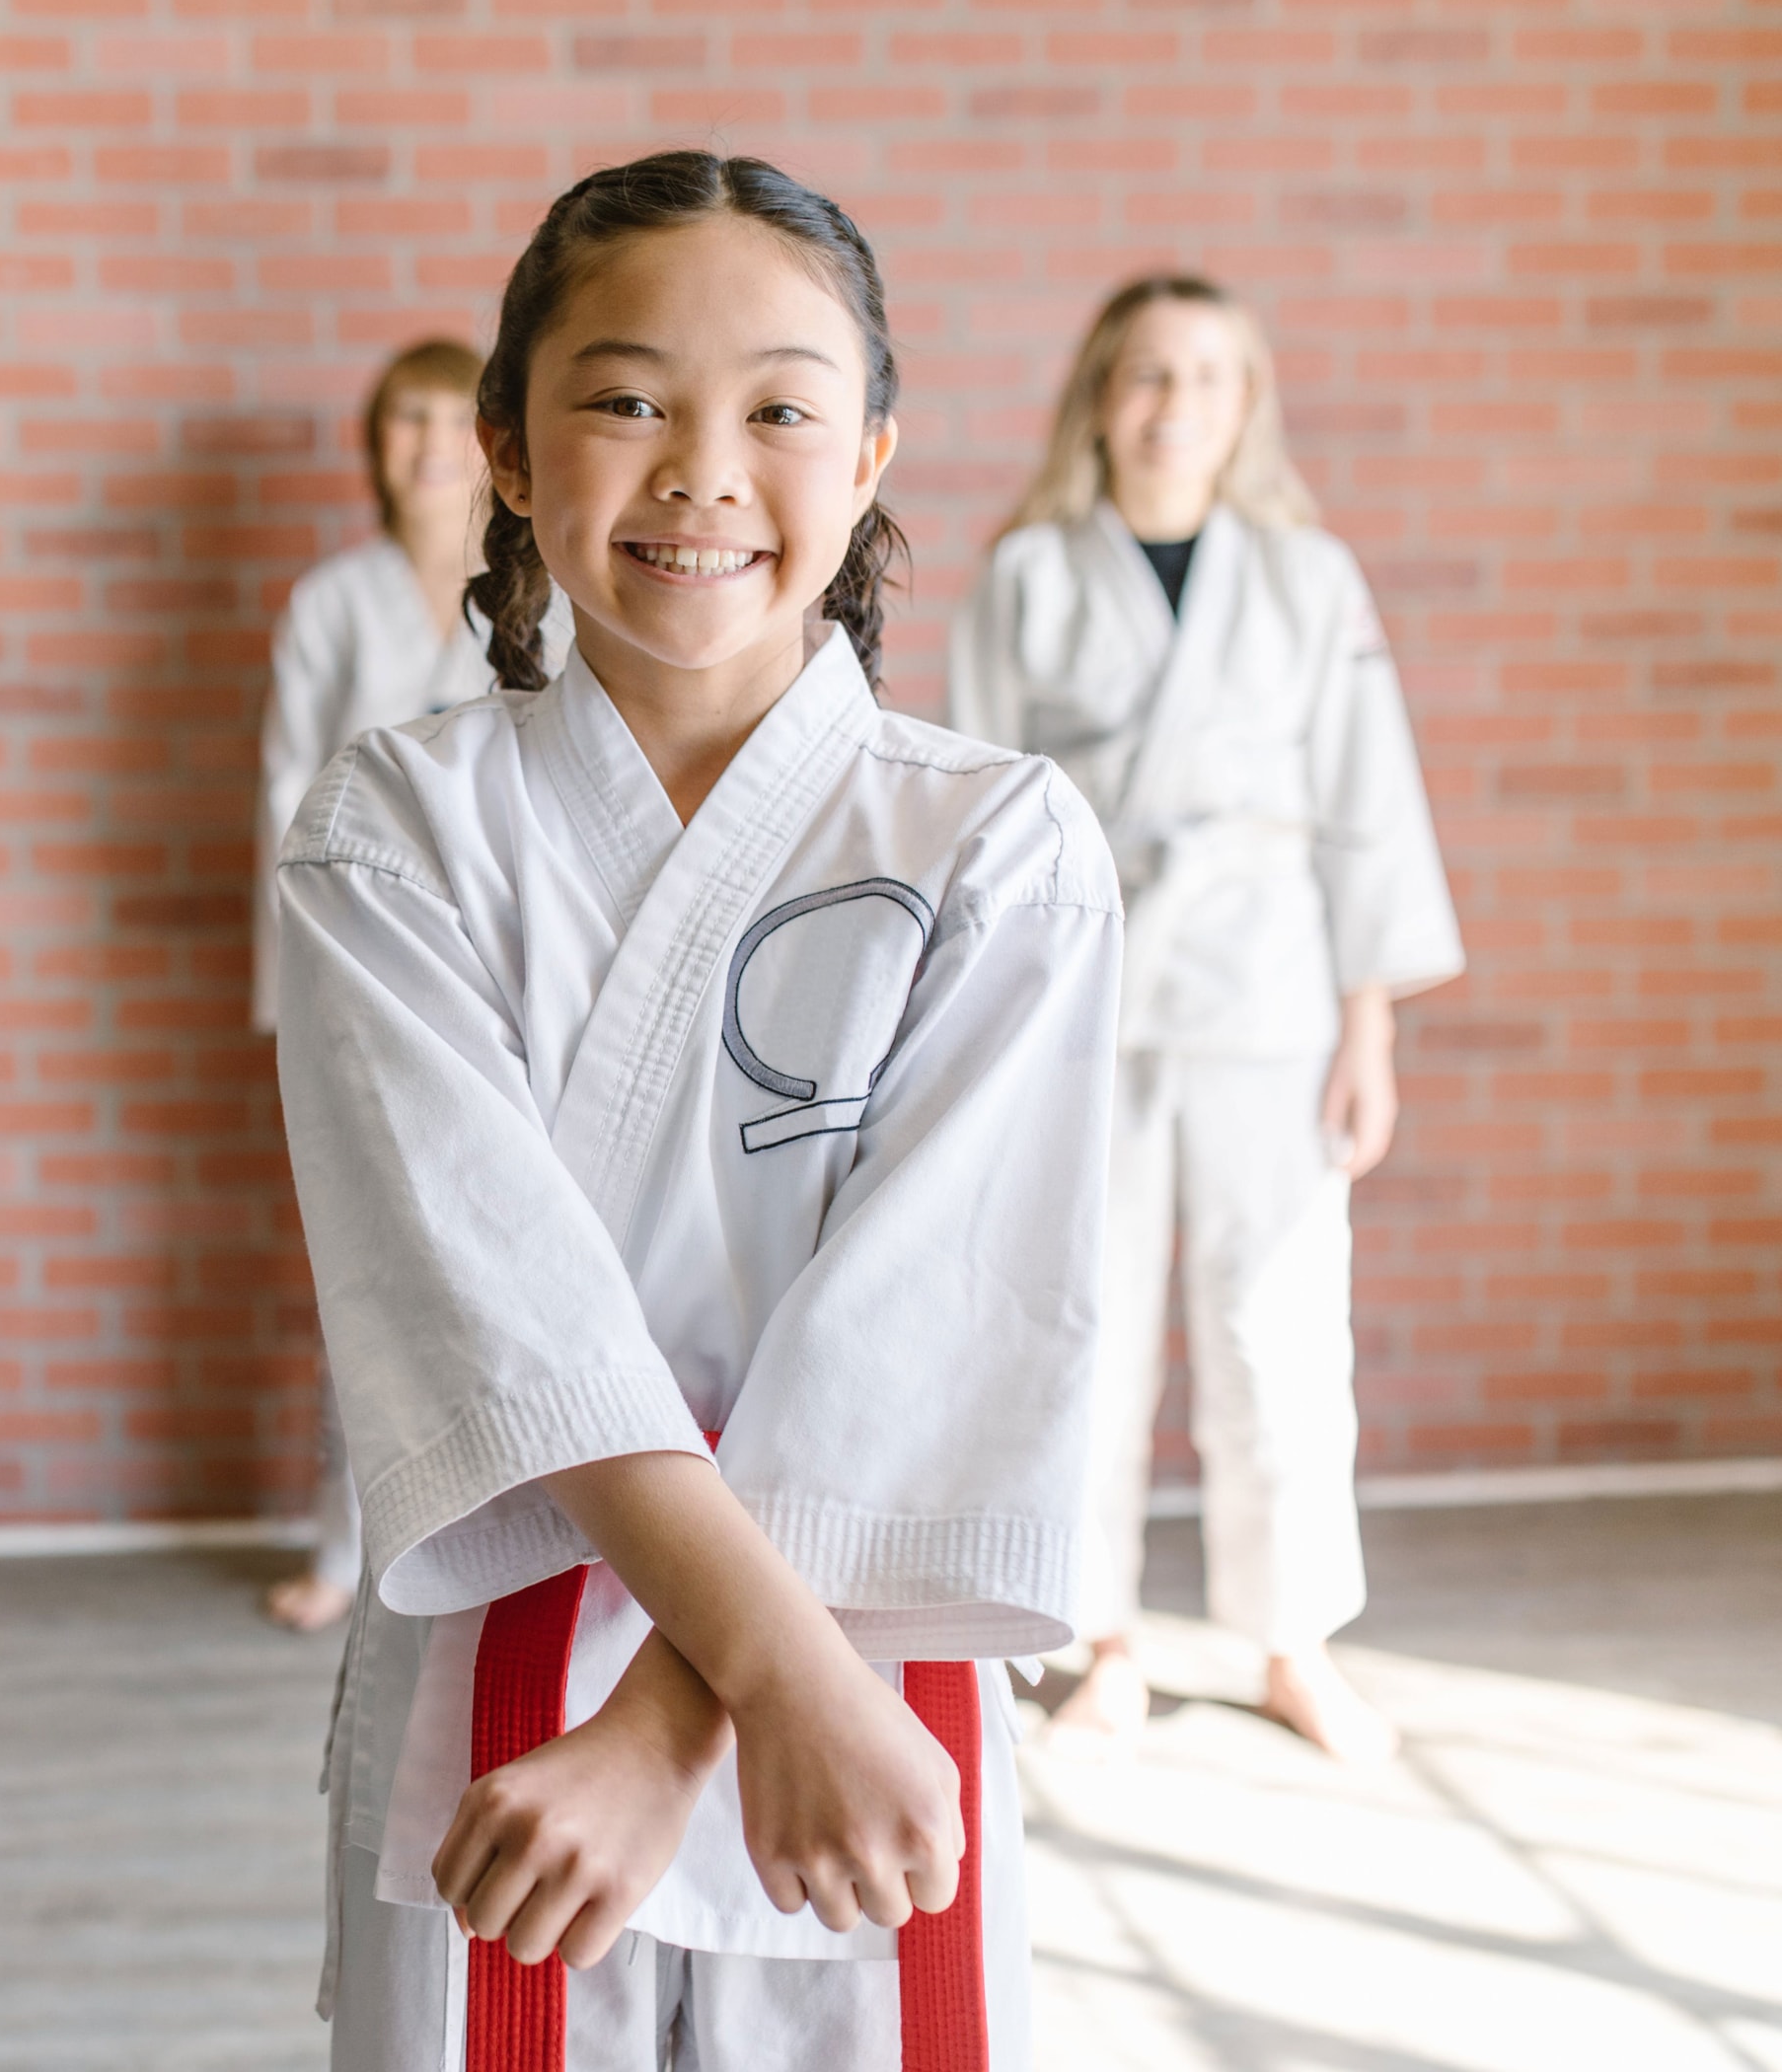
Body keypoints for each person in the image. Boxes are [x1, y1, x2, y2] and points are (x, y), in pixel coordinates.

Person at [278, 151, 1118, 2069]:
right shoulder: (390, 833)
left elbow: (943, 1324)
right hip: (517, 1665)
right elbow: (501, 1311)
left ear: (877, 453)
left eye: (781, 410)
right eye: (625, 396)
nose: (702, 468)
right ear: (505, 446)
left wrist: (687, 1724)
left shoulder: (995, 842)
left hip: (857, 1665)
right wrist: (763, 1682)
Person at [948, 274, 1463, 1765]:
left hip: (1272, 997)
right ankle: (1099, 1633)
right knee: (1082, 1323)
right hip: (1084, 997)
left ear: (1247, 408)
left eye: (1207, 378)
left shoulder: (1309, 580)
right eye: (1147, 375)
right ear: (1100, 394)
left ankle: (1291, 1637)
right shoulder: (1028, 576)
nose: (1174, 405)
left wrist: (1368, 1029)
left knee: (1280, 1322)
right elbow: (981, 815)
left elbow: (1367, 810)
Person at [254, 339, 570, 1636]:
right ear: (372, 445)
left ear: (498, 442)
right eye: (403, 419)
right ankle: (350, 1540)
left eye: (453, 417)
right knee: (372, 1257)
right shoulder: (334, 604)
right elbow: (285, 793)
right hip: (363, 956)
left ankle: (526, 1526)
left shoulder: (545, 593)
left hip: (518, 964)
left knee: (521, 1253)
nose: (429, 443)